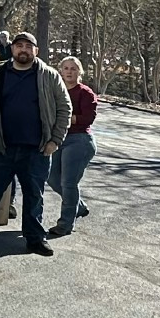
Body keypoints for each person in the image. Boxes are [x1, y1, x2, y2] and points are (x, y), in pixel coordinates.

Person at [0, 32, 71, 257]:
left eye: (28, 46)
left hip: (37, 149)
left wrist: (55, 141)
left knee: (34, 196)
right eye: (19, 45)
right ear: (12, 49)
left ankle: (35, 239)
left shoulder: (49, 76)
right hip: (2, 147)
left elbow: (64, 108)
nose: (23, 50)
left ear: (36, 51)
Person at [47, 56, 96, 236]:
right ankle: (79, 206)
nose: (69, 71)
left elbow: (86, 118)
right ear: (61, 71)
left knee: (68, 183)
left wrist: (63, 116)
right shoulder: (56, 90)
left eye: (73, 68)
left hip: (79, 140)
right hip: (59, 138)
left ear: (79, 72)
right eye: (66, 68)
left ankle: (66, 224)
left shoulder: (85, 93)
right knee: (52, 178)